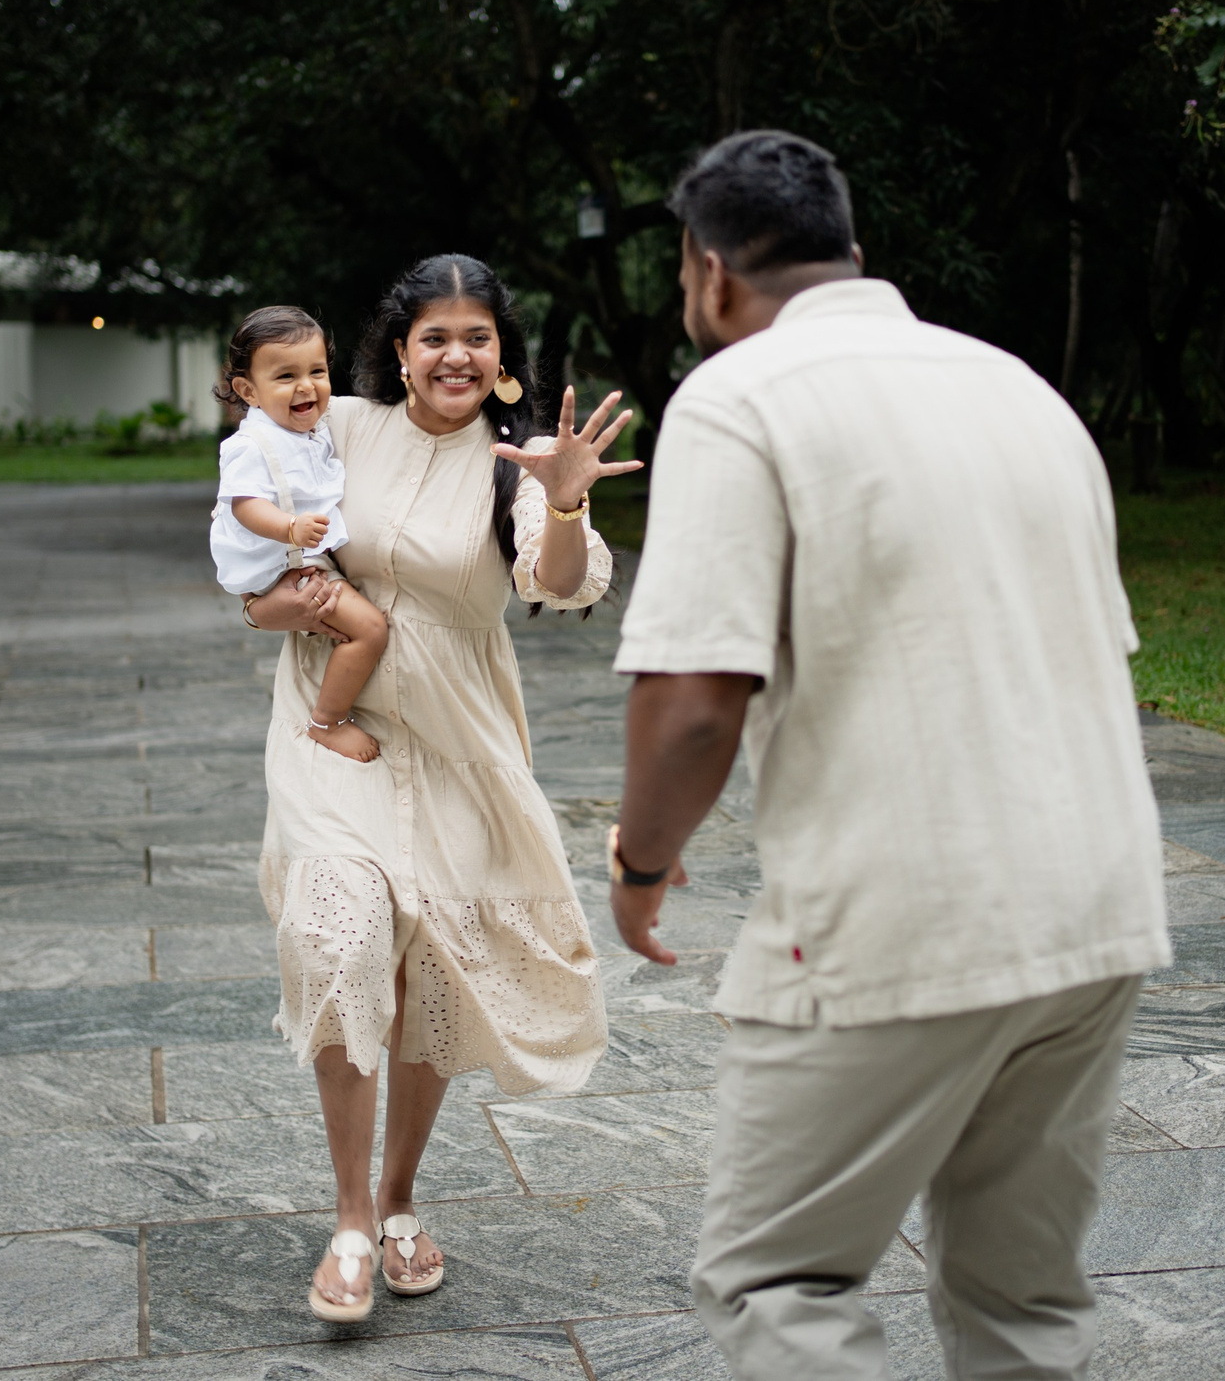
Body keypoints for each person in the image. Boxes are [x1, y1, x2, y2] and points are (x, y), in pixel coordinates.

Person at [606, 131, 1172, 1380]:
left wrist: (640, 863)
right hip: (1097, 907)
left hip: (901, 917)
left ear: (706, 272)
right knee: (1023, 1302)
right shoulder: (1016, 387)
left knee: (778, 1280)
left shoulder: (739, 395)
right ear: (854, 253)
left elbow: (695, 700)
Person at [233, 254, 642, 1324]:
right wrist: (277, 597)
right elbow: (252, 521)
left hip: (460, 738)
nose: (456, 354)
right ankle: (352, 1222)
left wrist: (560, 505)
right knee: (338, 934)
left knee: (433, 973)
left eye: (477, 336)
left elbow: (558, 588)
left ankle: (404, 1198)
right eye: (434, 336)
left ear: (503, 356)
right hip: (337, 725)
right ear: (401, 351)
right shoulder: (343, 429)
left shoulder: (518, 465)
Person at [210, 305, 391, 762]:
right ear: (248, 390)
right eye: (285, 376)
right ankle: (327, 720)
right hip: (282, 565)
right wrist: (290, 528)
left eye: (317, 370)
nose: (306, 385)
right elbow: (245, 504)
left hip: (298, 558)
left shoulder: (313, 429)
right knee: (369, 630)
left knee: (352, 625)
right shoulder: (252, 445)